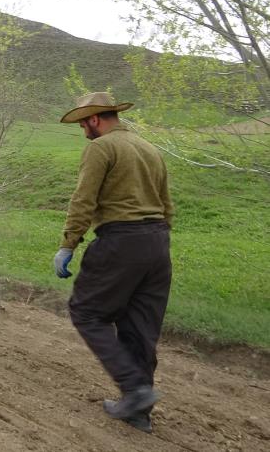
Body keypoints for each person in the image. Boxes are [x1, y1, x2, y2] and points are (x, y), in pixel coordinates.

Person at [54, 92, 174, 434]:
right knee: (140, 327)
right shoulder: (149, 149)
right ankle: (139, 412)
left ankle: (135, 390)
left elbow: (84, 200)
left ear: (94, 120)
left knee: (86, 311)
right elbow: (167, 204)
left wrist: (68, 244)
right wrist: (156, 239)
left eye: (82, 123)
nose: (82, 130)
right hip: (158, 243)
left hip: (121, 240)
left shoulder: (100, 148)